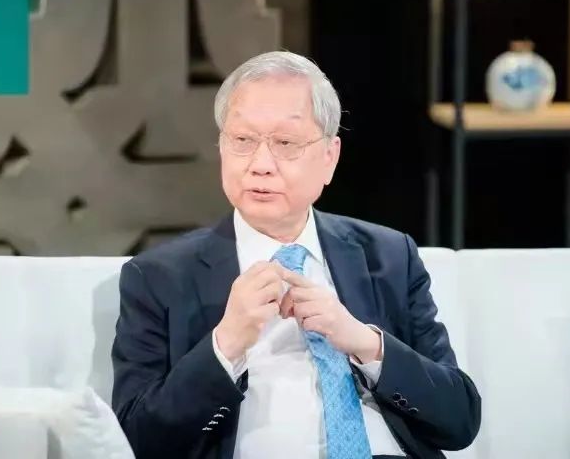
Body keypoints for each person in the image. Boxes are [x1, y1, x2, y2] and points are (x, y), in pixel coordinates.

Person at [111, 51, 481, 459]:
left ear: (329, 157)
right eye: (243, 141)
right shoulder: (159, 277)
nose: (260, 164)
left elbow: (459, 420)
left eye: (285, 143)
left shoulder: (389, 256)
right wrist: (225, 345)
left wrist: (366, 344)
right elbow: (136, 442)